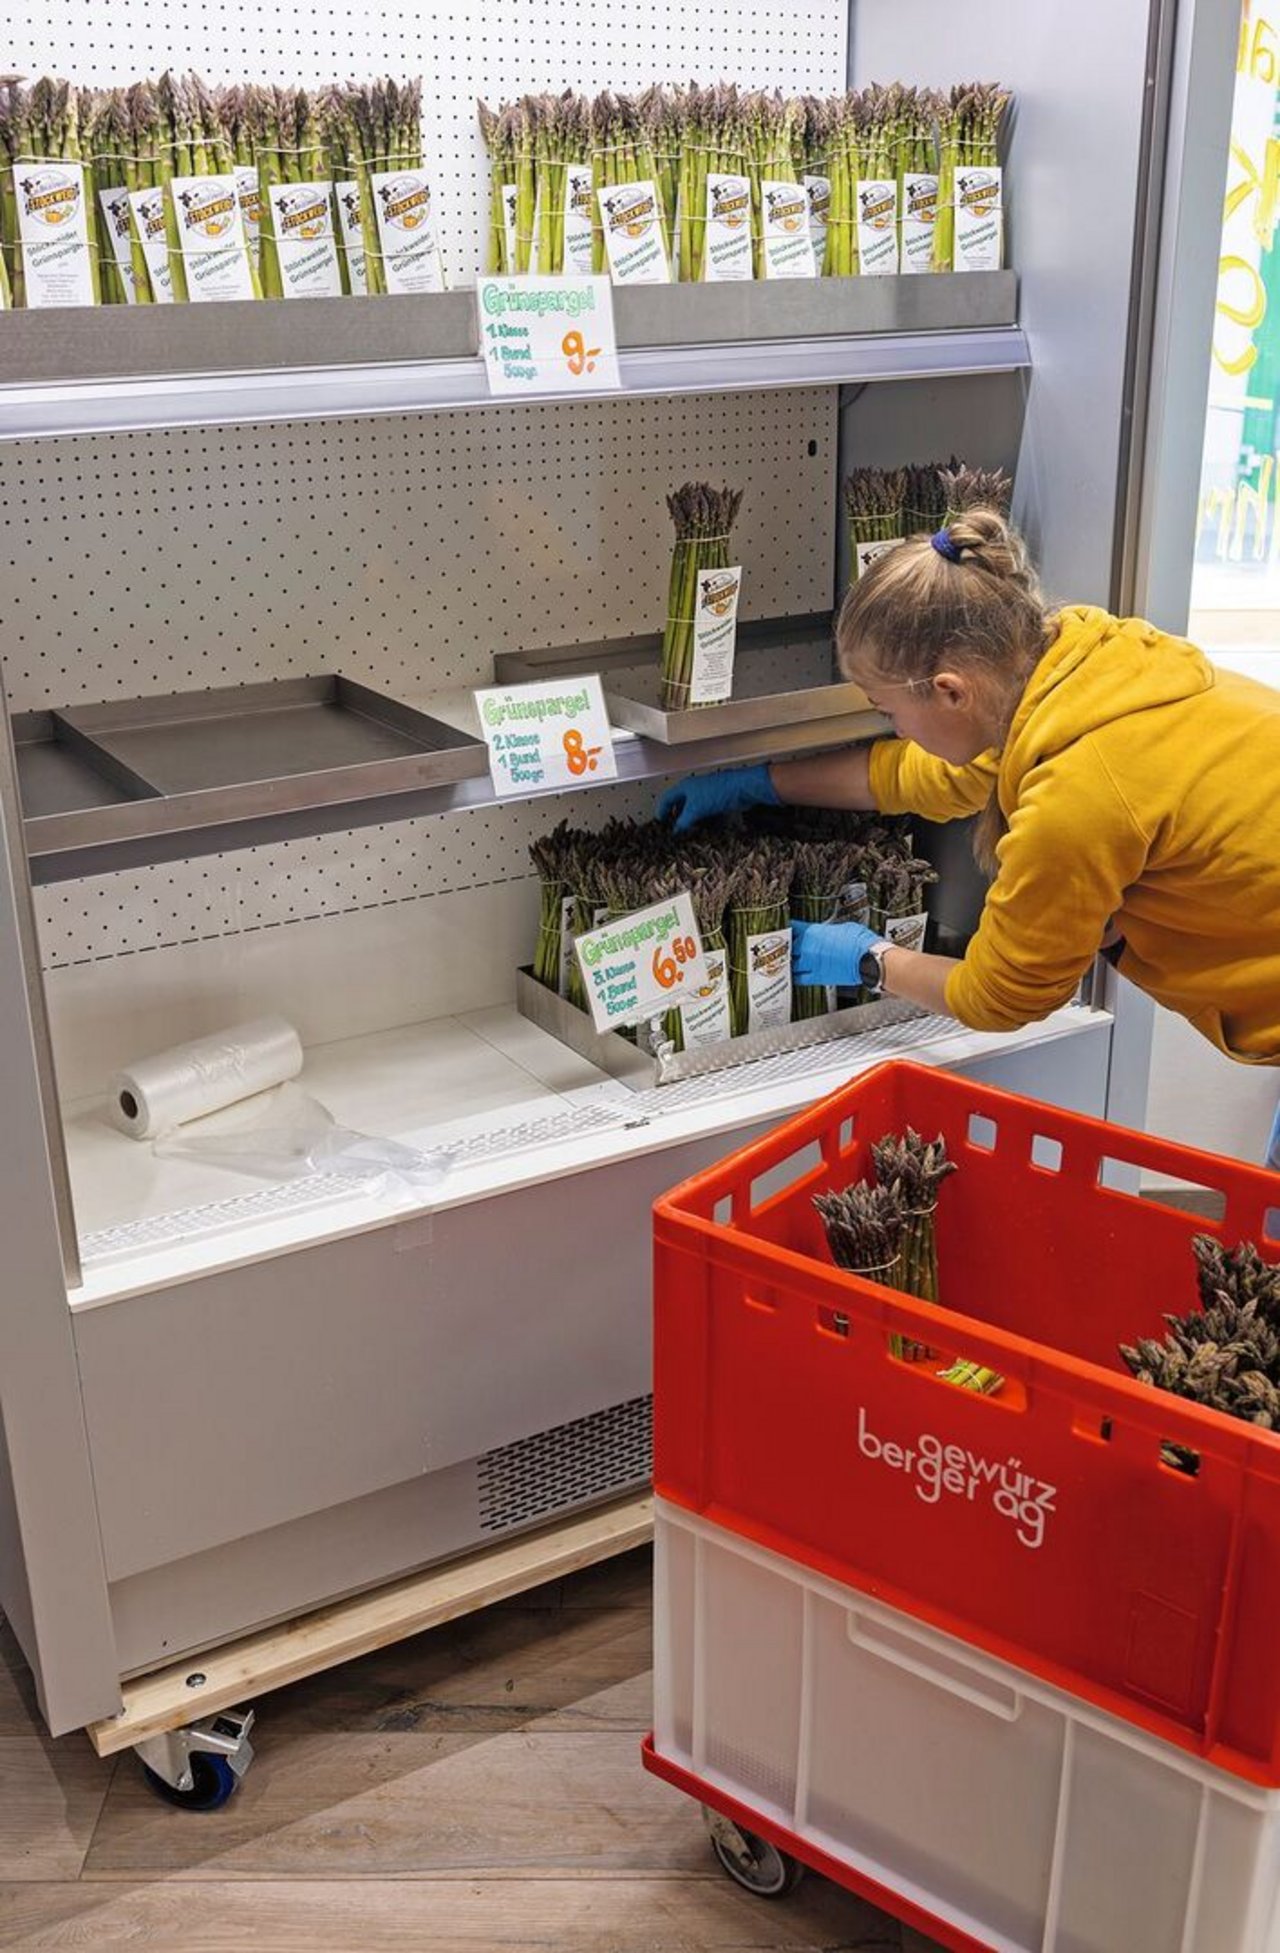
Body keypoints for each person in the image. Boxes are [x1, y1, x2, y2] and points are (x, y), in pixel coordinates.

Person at [658, 510, 1280, 1066]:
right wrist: (758, 784)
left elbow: (1002, 995)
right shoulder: (1073, 666)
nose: (893, 730)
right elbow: (925, 777)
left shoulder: (1075, 792)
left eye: (886, 712)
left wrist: (871, 960)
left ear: (951, 691)